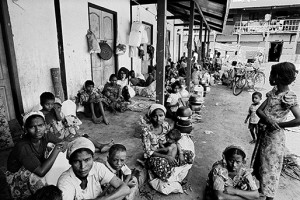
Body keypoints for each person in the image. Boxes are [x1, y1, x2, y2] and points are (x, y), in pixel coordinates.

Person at [252, 62, 300, 200]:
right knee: (260, 165)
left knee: (270, 169)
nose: (269, 77)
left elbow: (299, 119)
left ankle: (269, 197)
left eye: (272, 74)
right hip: (264, 135)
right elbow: (260, 110)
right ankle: (260, 193)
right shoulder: (274, 92)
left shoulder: (288, 96)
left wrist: (279, 124)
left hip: (274, 139)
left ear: (278, 76)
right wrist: (268, 120)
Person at [5, 111, 67, 199]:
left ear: (45, 125)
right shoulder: (23, 146)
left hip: (34, 165)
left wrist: (60, 146)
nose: (38, 130)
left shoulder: (45, 135)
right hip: (17, 175)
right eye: (32, 127)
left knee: (52, 150)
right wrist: (56, 150)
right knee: (38, 179)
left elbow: (62, 143)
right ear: (25, 129)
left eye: (41, 125)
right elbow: (41, 172)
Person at [138, 104, 194, 195]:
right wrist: (167, 157)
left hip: (168, 151)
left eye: (161, 115)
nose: (158, 118)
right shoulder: (146, 131)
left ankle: (171, 169)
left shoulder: (165, 125)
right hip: (155, 156)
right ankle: (171, 172)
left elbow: (174, 140)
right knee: (163, 163)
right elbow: (149, 152)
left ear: (164, 115)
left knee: (189, 154)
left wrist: (180, 153)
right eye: (155, 116)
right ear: (151, 116)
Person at [57, 137, 130, 200]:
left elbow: (125, 189)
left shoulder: (97, 167)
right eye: (77, 161)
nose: (83, 167)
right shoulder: (65, 182)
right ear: (70, 162)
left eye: (87, 160)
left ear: (93, 158)